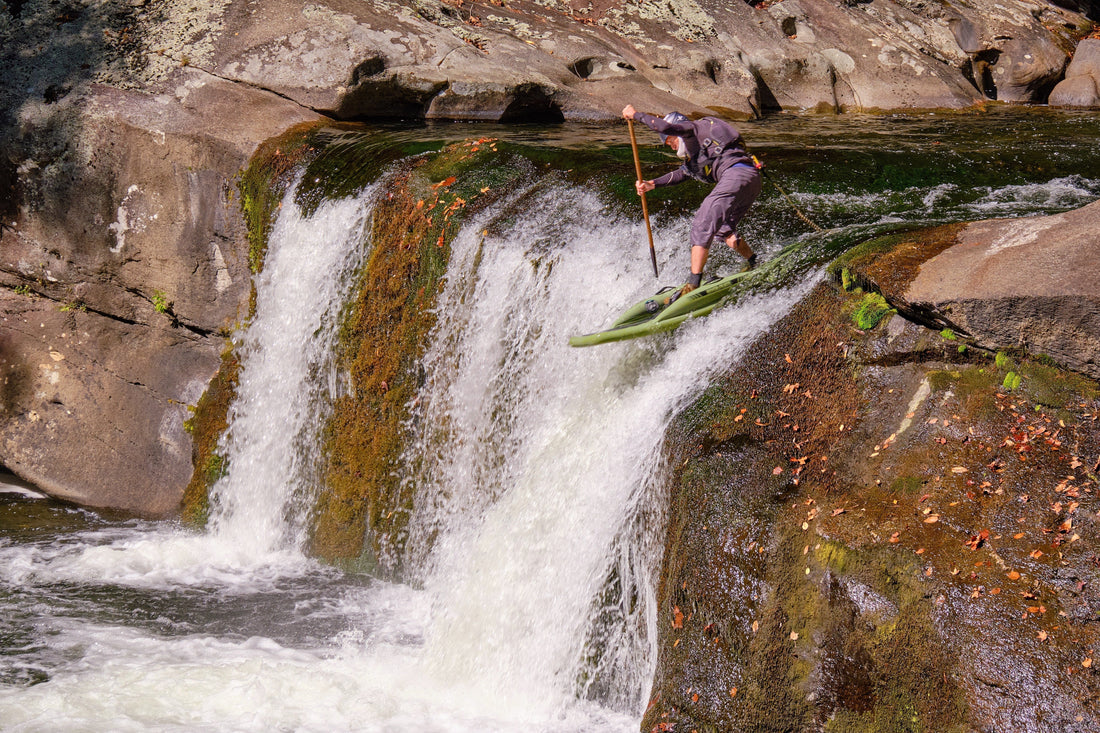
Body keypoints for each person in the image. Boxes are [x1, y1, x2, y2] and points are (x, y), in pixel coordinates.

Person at [622, 105, 762, 295]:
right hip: (752, 179)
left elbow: (664, 127)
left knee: (702, 223)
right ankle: (754, 261)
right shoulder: (697, 146)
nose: (670, 145)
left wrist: (636, 115)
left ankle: (693, 284)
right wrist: (652, 184)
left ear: (677, 130)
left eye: (670, 140)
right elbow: (683, 173)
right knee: (723, 229)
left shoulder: (690, 129)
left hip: (735, 175)